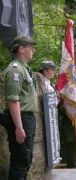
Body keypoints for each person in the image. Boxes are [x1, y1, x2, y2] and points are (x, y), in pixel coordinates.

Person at [3, 36, 38, 180]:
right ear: (21, 49)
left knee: (25, 158)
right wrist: (19, 126)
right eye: (31, 47)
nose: (33, 50)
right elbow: (13, 100)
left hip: (27, 118)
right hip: (21, 119)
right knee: (20, 160)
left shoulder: (25, 69)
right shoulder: (15, 70)